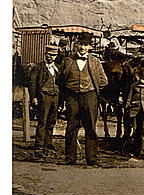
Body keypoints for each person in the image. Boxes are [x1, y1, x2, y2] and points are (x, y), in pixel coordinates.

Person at [58, 35, 108, 166]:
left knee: (90, 127)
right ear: (76, 45)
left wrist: (92, 88)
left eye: (85, 45)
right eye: (80, 44)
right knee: (71, 127)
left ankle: (92, 159)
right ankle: (70, 158)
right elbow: (60, 79)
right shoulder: (68, 60)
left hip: (89, 97)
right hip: (72, 96)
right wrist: (68, 91)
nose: (82, 47)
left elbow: (104, 80)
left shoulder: (95, 61)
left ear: (89, 47)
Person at [30, 43, 61, 159]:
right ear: (45, 54)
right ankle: (38, 146)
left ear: (56, 56)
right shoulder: (38, 67)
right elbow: (32, 83)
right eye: (49, 54)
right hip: (43, 96)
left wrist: (61, 101)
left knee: (52, 120)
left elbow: (61, 83)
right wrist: (34, 97)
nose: (50, 57)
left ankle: (48, 144)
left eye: (53, 55)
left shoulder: (57, 68)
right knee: (42, 121)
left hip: (55, 96)